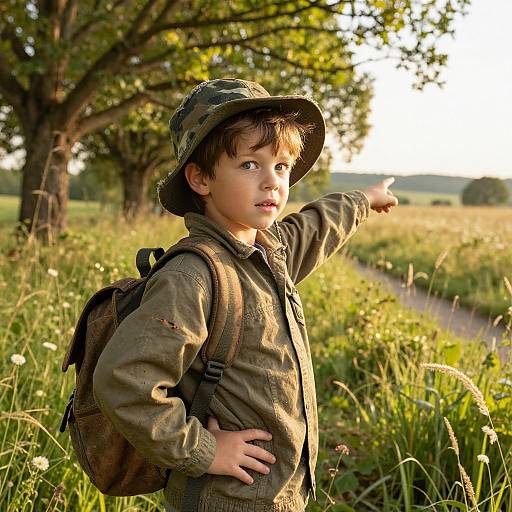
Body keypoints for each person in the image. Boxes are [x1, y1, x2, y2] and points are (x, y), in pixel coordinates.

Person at [93, 78, 398, 512]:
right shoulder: (193, 276)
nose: (272, 182)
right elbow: (123, 382)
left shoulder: (268, 253)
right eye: (251, 165)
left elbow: (314, 226)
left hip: (275, 494)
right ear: (200, 178)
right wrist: (203, 449)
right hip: (227, 498)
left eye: (282, 167)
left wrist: (364, 199)